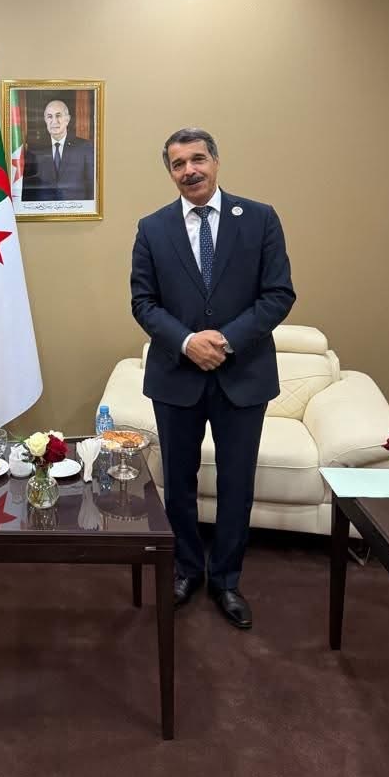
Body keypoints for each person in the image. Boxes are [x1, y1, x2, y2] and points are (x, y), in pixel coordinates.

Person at [130, 128, 295, 629]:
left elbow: (278, 294)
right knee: (177, 483)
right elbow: (143, 302)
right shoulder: (152, 228)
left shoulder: (260, 218)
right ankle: (186, 569)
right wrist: (186, 342)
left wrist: (223, 340)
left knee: (237, 482)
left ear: (216, 162)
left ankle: (226, 579)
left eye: (198, 159)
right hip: (176, 376)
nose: (190, 171)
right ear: (170, 172)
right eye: (178, 164)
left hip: (242, 375)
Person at [21, 99, 94, 202]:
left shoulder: (84, 147)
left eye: (58, 116)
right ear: (45, 120)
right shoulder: (35, 148)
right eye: (50, 116)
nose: (54, 121)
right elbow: (29, 187)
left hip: (75, 209)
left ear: (67, 119)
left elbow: (92, 186)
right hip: (44, 209)